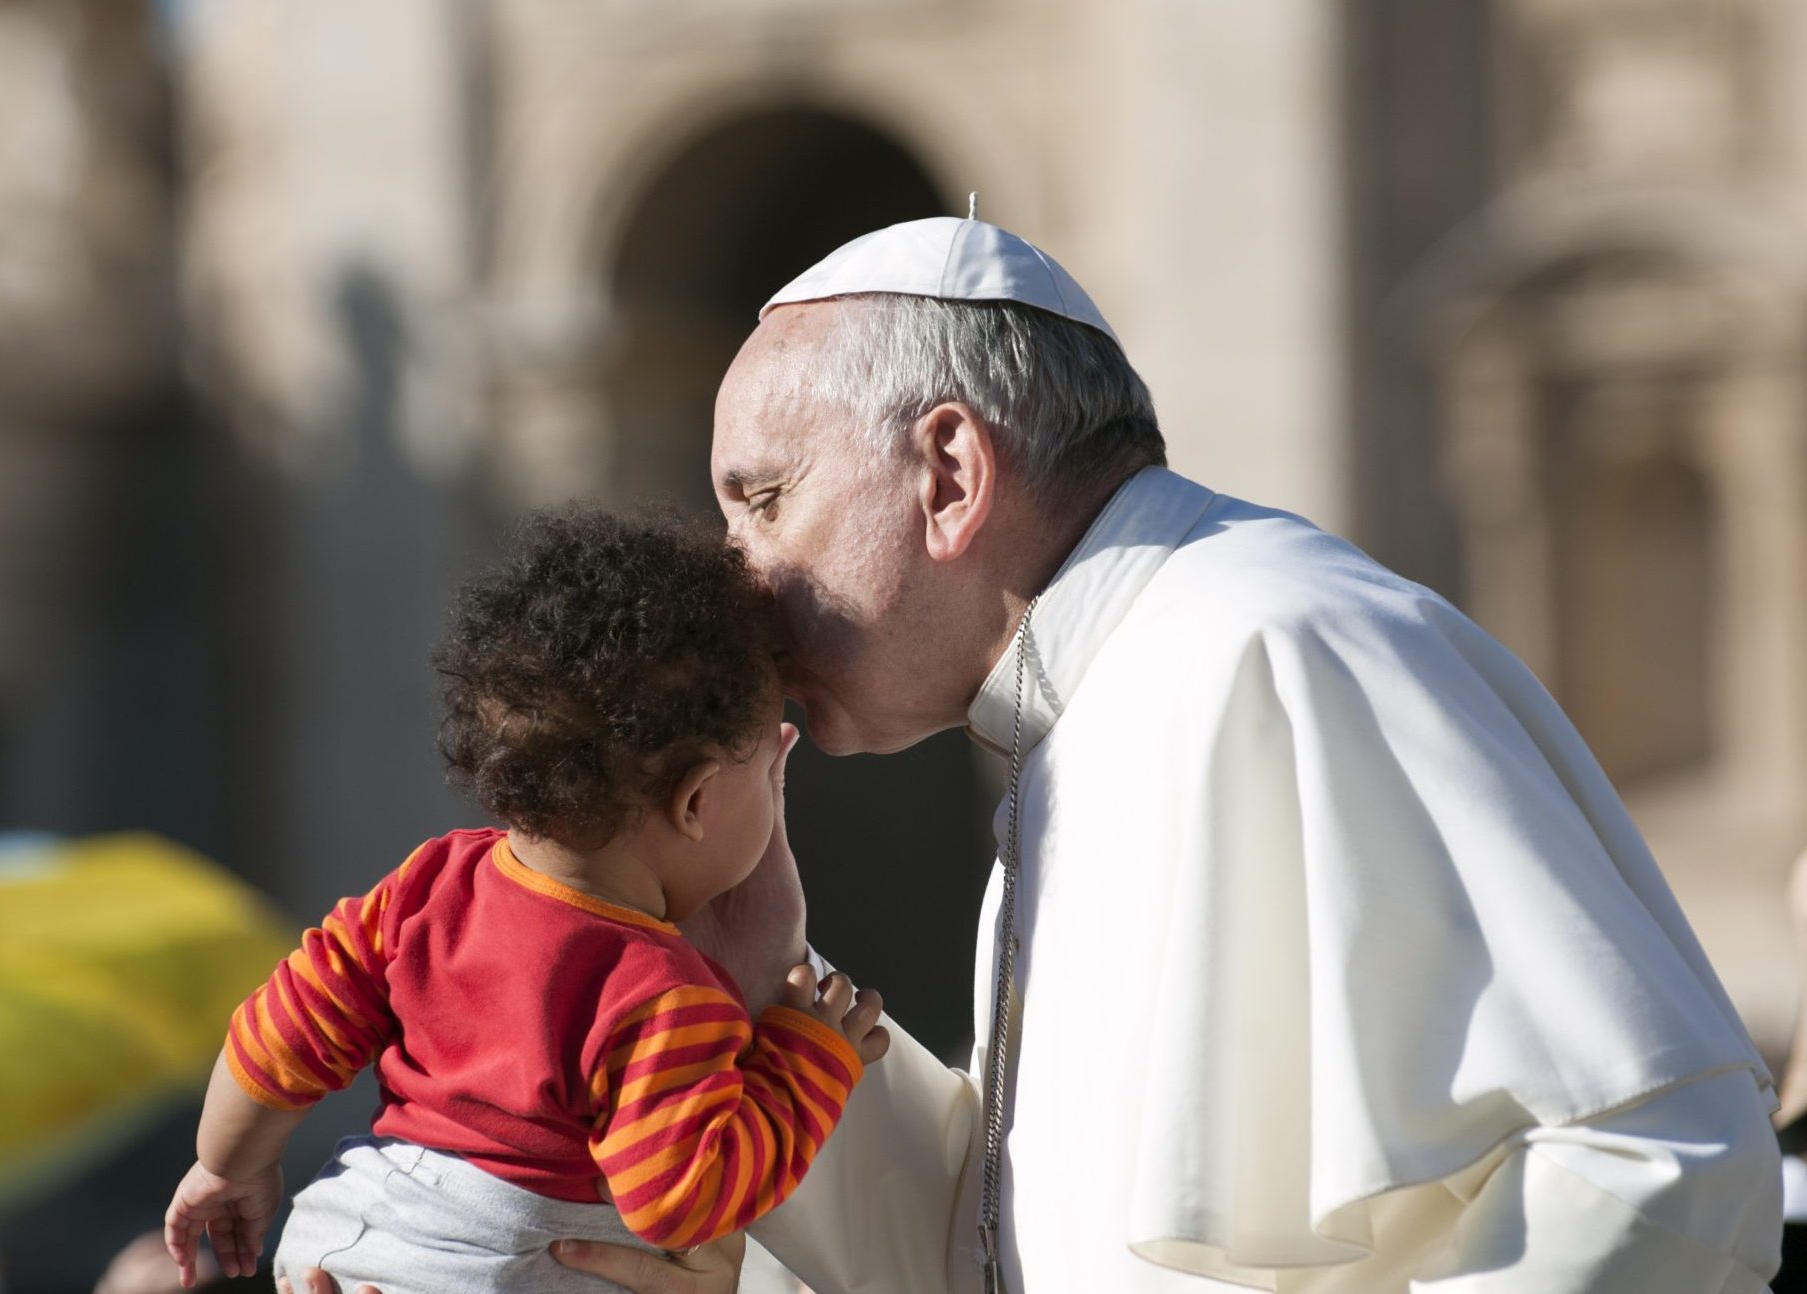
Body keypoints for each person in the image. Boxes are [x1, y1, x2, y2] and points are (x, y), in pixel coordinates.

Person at [293, 219, 1786, 1294]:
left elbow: (1653, 1157)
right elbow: (1019, 1248)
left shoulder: (1281, 642)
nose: (738, 579)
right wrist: (758, 1003)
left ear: (947, 471)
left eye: (763, 498)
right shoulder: (1074, 720)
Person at [163, 508, 887, 1293]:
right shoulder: (664, 995)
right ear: (698, 799)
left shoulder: (432, 884)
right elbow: (680, 1203)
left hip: (342, 1231)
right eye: (767, 774)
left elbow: (283, 1029)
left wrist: (227, 1166)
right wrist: (803, 1061)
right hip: (494, 1267)